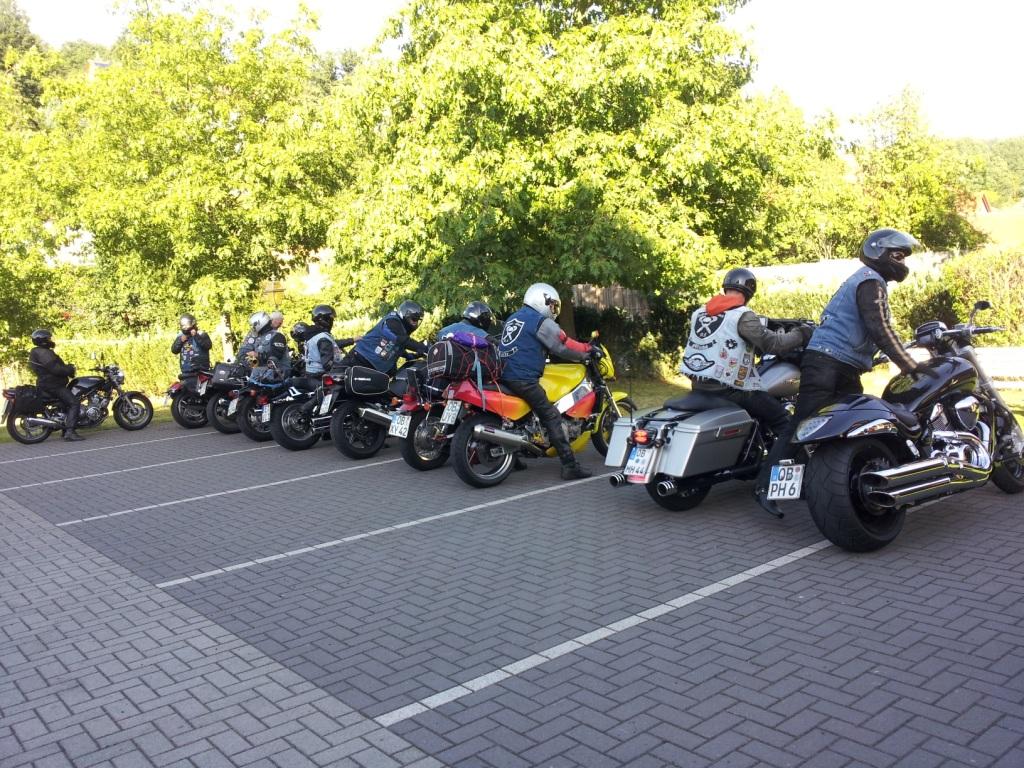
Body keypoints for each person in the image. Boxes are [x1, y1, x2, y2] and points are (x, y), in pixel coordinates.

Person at [754, 227, 932, 514]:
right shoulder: (870, 281)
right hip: (827, 364)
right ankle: (764, 487)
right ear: (879, 252)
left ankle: (826, 482)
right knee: (802, 424)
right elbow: (880, 328)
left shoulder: (867, 280)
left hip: (840, 365)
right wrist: (910, 366)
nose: (902, 262)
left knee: (851, 426)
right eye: (898, 255)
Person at [498, 283, 593, 480]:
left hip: (504, 375)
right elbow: (563, 345)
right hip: (523, 378)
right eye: (552, 305)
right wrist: (587, 351)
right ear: (542, 301)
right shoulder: (540, 322)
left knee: (519, 418)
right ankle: (570, 465)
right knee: (551, 416)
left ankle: (513, 459)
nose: (553, 309)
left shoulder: (513, 318)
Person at [346, 300, 429, 375]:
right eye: (414, 319)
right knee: (343, 384)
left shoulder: (401, 330)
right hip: (360, 359)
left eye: (418, 321)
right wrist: (424, 348)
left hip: (373, 367)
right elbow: (402, 340)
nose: (415, 324)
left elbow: (396, 347)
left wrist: (413, 356)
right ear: (404, 315)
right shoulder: (392, 321)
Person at [28, 329, 83, 441]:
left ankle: (64, 429)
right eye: (48, 338)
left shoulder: (38, 351)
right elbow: (56, 369)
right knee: (74, 403)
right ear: (43, 340)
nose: (50, 340)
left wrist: (67, 368)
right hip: (53, 385)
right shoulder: (44, 353)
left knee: (65, 404)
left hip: (48, 383)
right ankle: (70, 432)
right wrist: (69, 369)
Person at [304, 304, 357, 375]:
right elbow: (328, 364)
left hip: (312, 372)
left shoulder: (313, 334)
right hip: (320, 374)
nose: (332, 322)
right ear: (325, 320)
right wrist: (344, 365)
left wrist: (352, 340)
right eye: (331, 319)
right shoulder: (322, 338)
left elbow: (332, 343)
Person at [246, 311, 291, 376]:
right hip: (261, 375)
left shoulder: (278, 336)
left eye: (255, 325)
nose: (253, 327)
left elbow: (276, 355)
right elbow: (257, 362)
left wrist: (258, 355)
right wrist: (250, 363)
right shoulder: (259, 338)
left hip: (278, 375)